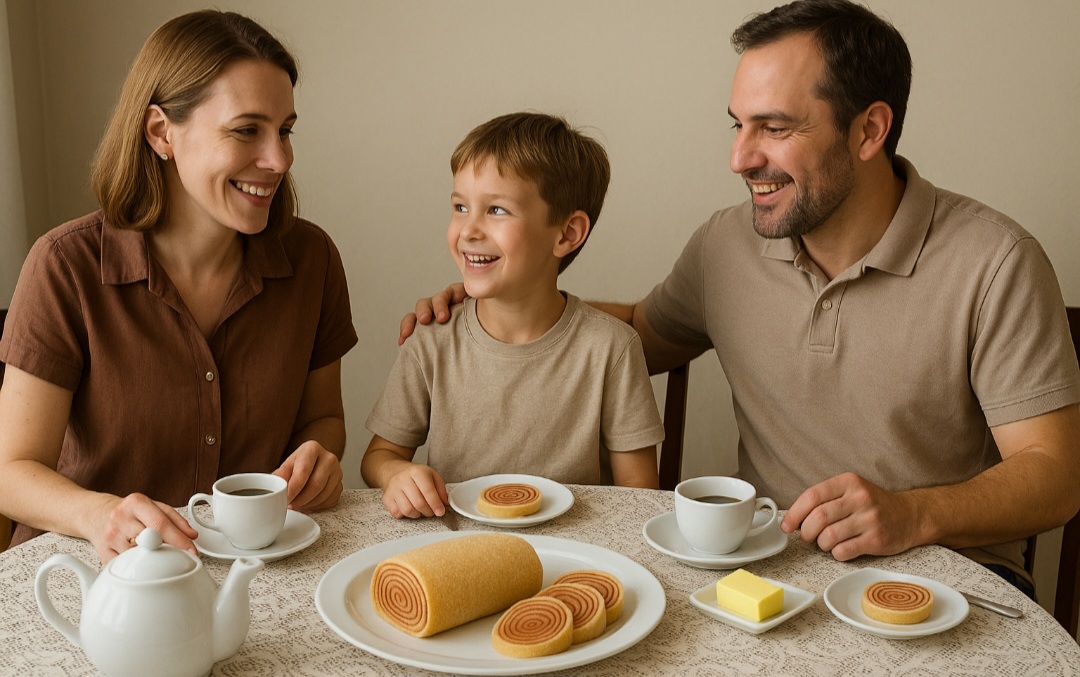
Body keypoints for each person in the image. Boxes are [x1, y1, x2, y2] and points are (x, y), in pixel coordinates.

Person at [403, 0, 1080, 596]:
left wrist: (913, 513)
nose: (740, 158)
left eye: (775, 128)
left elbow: (1055, 475)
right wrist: (492, 303)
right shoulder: (725, 245)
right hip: (768, 573)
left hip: (952, 581)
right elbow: (638, 330)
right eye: (738, 125)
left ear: (869, 130)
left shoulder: (997, 260)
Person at [0, 10, 358, 562]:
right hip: (91, 576)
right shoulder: (64, 267)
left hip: (251, 568)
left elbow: (323, 420)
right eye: (247, 130)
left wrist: (319, 458)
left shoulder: (313, 260)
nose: (279, 159)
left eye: (284, 130)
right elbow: (12, 471)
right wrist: (100, 515)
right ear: (161, 132)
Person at [363, 112, 663, 519]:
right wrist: (395, 473)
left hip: (574, 549)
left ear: (567, 234)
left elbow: (640, 497)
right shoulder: (430, 340)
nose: (469, 230)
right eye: (460, 207)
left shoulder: (612, 349)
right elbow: (377, 457)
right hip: (459, 548)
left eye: (497, 210)